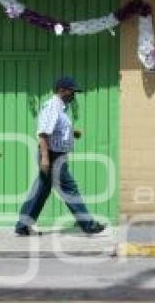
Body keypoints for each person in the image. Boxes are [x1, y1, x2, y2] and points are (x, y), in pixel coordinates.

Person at [15, 76, 106, 236]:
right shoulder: (52, 106)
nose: (74, 95)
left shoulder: (60, 108)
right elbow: (43, 133)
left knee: (41, 190)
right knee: (69, 188)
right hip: (52, 155)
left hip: (55, 154)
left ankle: (23, 225)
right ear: (62, 90)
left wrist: (71, 133)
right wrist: (45, 158)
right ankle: (88, 224)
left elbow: (55, 129)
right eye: (72, 91)